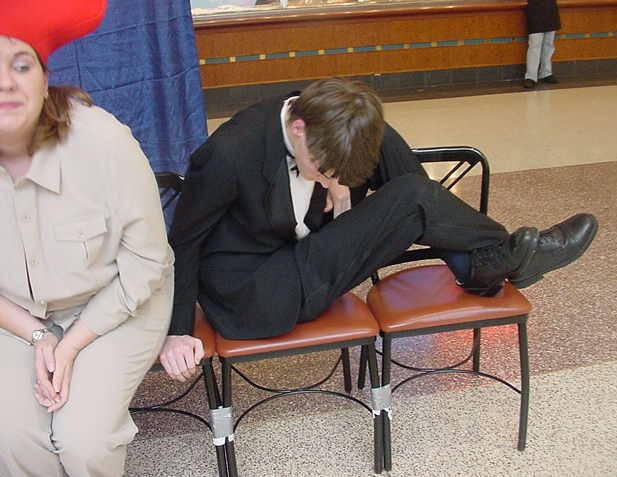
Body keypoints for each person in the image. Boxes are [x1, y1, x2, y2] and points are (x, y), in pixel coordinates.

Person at [159, 77, 597, 382]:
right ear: (298, 129)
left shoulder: (329, 121)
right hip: (255, 292)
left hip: (304, 255)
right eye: (323, 168)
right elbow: (184, 241)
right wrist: (177, 330)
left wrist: (339, 191)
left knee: (380, 137)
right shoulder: (230, 153)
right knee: (414, 196)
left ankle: (476, 262)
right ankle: (486, 260)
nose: (328, 178)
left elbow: (343, 167)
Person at [0, 1, 174, 476]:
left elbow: (146, 265)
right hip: (14, 315)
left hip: (118, 302)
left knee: (85, 441)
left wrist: (70, 344)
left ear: (44, 79)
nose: (6, 82)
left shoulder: (103, 141)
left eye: (21, 66)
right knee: (11, 438)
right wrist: (37, 335)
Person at [524, 0, 561, 89]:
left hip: (550, 10)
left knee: (549, 44)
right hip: (535, 10)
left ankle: (546, 73)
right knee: (534, 45)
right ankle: (531, 77)